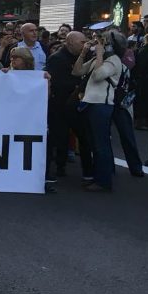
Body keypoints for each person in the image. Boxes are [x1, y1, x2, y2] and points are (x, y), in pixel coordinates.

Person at [74, 30, 129, 192]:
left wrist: (99, 55)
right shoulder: (98, 59)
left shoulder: (114, 60)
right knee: (93, 143)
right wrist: (84, 53)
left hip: (102, 106)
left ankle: (103, 181)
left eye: (100, 40)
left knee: (101, 144)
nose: (96, 41)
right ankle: (98, 176)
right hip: (90, 104)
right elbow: (77, 71)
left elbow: (98, 75)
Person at [46, 32, 92, 182]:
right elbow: (57, 83)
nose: (84, 45)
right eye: (81, 42)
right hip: (60, 104)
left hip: (78, 105)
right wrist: (79, 85)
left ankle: (88, 170)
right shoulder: (57, 58)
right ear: (70, 42)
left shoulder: (84, 55)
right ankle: (59, 167)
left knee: (84, 138)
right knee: (60, 138)